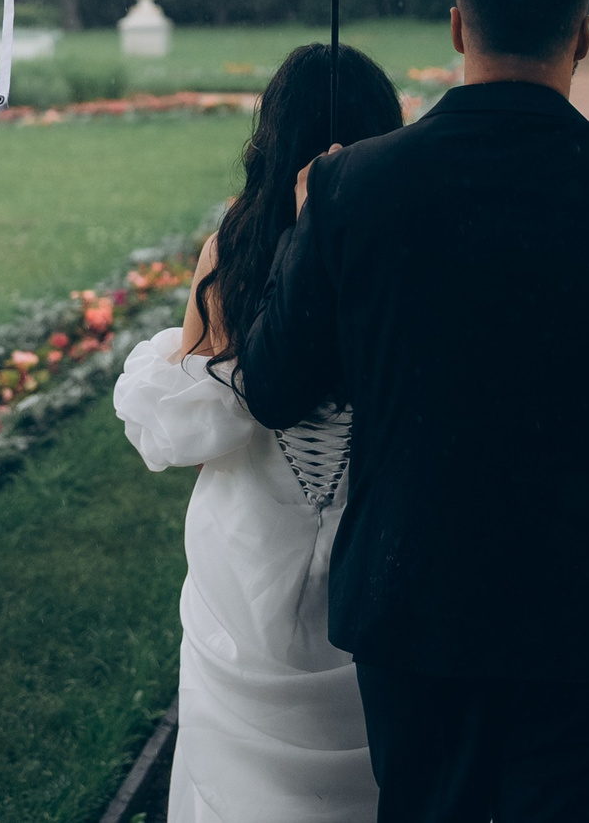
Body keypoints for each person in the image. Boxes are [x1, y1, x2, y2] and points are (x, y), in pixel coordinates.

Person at [239, 0, 589, 823]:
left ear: (458, 27)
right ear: (583, 36)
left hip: (418, 599)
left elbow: (274, 385)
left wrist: (308, 222)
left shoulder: (354, 185)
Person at [113, 41, 406, 823]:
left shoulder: (236, 251)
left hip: (245, 562)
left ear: (271, 136)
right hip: (375, 547)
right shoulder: (408, 249)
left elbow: (189, 414)